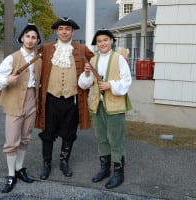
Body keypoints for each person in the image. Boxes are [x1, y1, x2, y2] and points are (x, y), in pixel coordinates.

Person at [35, 17, 94, 180]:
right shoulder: (46, 49)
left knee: (69, 133)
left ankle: (63, 162)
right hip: (51, 98)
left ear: (72, 32)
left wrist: (119, 59)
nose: (64, 32)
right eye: (61, 29)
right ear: (56, 31)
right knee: (47, 133)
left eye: (67, 29)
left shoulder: (82, 49)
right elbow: (32, 64)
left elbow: (98, 62)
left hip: (72, 99)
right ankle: (46, 164)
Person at [0, 23, 42, 193]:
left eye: (34, 37)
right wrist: (6, 81)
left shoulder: (39, 59)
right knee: (12, 141)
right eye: (27, 36)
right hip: (13, 101)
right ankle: (11, 174)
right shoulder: (12, 58)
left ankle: (19, 169)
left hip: (32, 100)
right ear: (22, 38)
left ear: (37, 40)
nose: (30, 40)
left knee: (25, 138)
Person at [78, 29, 132, 189]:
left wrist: (111, 85)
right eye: (99, 41)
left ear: (111, 41)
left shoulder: (119, 59)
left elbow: (127, 81)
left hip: (115, 106)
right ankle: (104, 169)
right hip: (98, 105)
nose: (102, 43)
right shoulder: (93, 61)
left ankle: (118, 173)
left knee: (115, 140)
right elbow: (84, 84)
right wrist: (87, 74)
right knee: (102, 139)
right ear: (97, 43)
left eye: (105, 40)